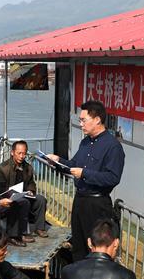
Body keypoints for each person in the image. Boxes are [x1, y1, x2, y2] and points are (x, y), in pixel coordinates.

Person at [45, 100, 125, 261]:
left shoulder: (113, 146)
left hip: (97, 203)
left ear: (97, 120)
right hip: (80, 200)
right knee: (78, 244)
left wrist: (85, 173)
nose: (80, 124)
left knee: (96, 247)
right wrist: (58, 161)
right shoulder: (85, 142)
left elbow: (112, 177)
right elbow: (74, 165)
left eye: (83, 120)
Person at [0, 140, 49, 237]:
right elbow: (0, 188)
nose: (22, 156)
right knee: (23, 202)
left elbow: (31, 182)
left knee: (41, 200)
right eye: (19, 153)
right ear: (12, 153)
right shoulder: (3, 168)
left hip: (24, 194)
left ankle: (40, 228)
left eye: (24, 153)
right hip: (9, 197)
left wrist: (31, 191)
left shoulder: (28, 167)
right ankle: (23, 232)